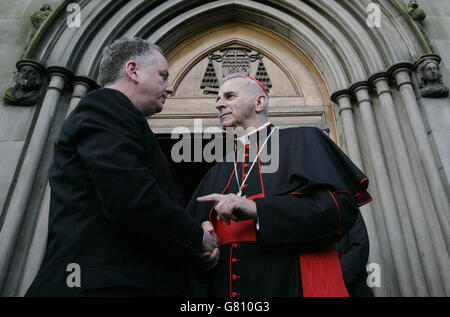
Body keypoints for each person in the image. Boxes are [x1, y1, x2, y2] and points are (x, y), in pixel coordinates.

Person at [25, 37, 219, 297]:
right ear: (133, 70)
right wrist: (198, 239)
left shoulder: (120, 117)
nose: (171, 88)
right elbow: (130, 197)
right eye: (163, 75)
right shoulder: (106, 106)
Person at [187, 73, 373, 297]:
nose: (219, 104)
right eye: (217, 98)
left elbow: (339, 211)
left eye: (229, 96)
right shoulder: (218, 170)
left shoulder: (304, 140)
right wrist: (201, 244)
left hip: (290, 284)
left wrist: (258, 210)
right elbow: (189, 231)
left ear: (259, 102)